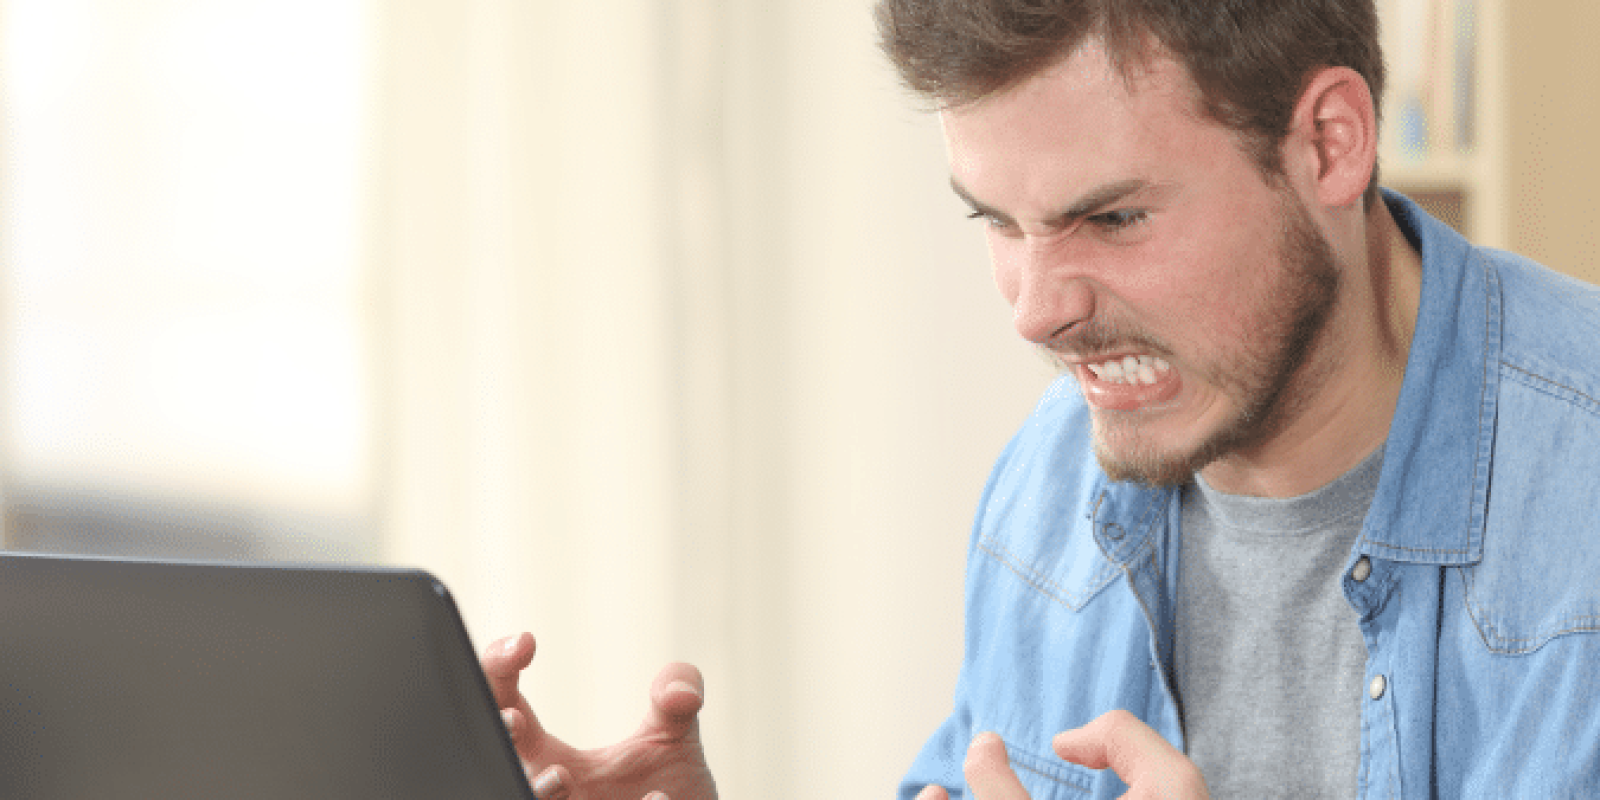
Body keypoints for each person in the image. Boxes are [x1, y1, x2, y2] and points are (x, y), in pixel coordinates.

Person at [482, 1, 1600, 797]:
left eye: (1111, 219)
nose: (1035, 310)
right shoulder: (1052, 477)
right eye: (996, 223)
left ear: (1327, 142)